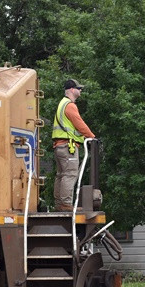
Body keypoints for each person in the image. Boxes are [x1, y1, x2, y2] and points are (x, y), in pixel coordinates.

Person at [52, 78, 96, 212]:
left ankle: (59, 203)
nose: (80, 90)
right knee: (70, 174)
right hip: (67, 147)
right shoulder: (70, 105)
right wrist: (92, 137)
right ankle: (65, 203)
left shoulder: (62, 104)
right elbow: (79, 123)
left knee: (61, 174)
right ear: (72, 90)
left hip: (59, 146)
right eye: (78, 88)